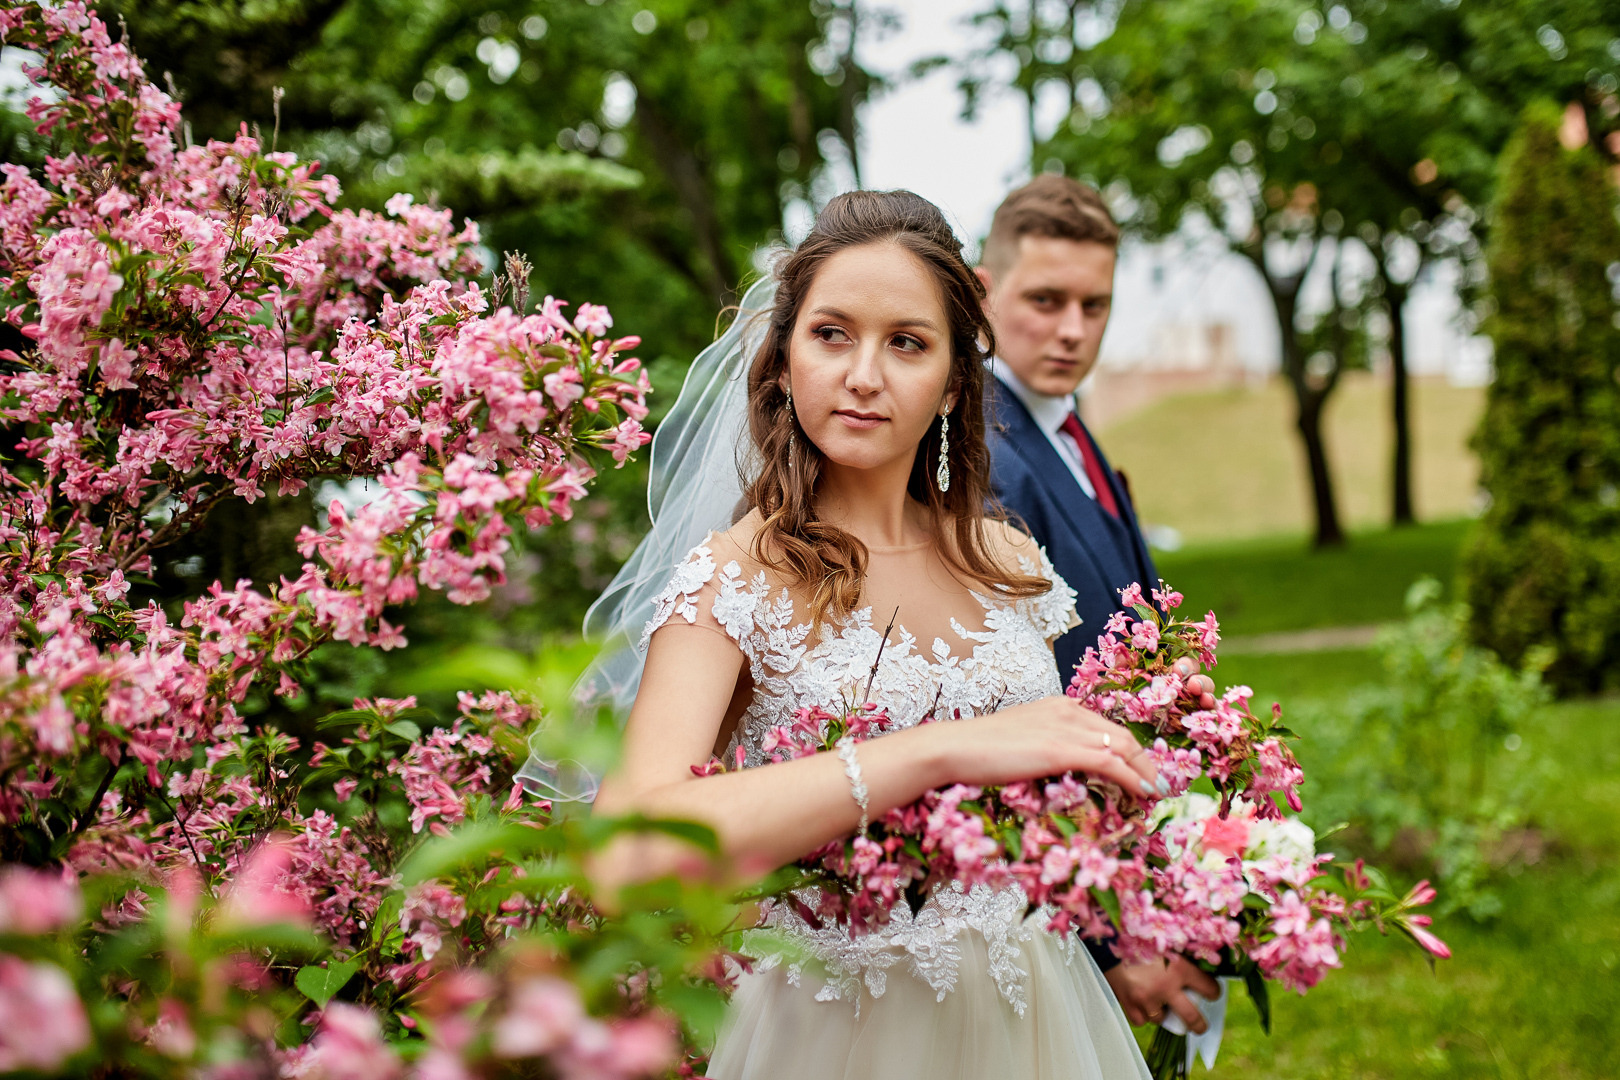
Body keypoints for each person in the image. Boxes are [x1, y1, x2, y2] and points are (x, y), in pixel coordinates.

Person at [590, 190, 1157, 1079]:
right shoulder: (734, 577)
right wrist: (941, 752)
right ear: (780, 361)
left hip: (1036, 1018)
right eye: (831, 334)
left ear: (953, 381)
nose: (863, 373)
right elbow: (628, 854)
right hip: (838, 1035)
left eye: (906, 342)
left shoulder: (1012, 563)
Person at [976, 174, 1222, 1036]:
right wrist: (1117, 941)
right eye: (1045, 299)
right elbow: (1008, 707)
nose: (1073, 329)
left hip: (1133, 826)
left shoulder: (1065, 429)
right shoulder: (985, 459)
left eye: (1095, 304)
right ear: (984, 290)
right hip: (1064, 887)